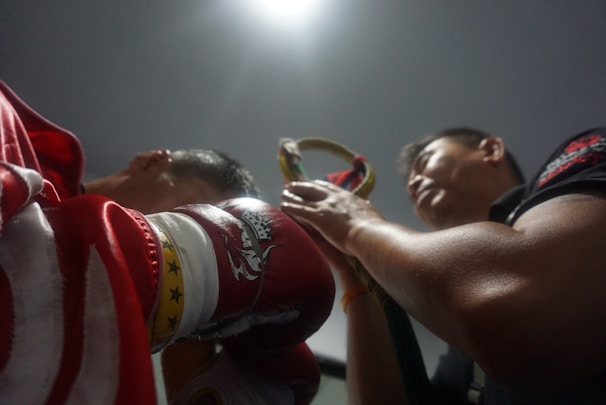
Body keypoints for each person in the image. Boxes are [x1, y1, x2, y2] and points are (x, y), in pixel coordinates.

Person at [0, 79, 335, 405]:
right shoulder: (9, 126)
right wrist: (185, 258)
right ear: (151, 162)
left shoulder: (113, 340)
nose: (184, 228)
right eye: (188, 215)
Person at [281, 126, 606, 404]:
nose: (412, 184)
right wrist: (353, 272)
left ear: (491, 150)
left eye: (424, 163)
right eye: (410, 184)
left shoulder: (585, 153)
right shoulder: (462, 352)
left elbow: (534, 322)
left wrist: (356, 225)